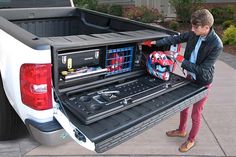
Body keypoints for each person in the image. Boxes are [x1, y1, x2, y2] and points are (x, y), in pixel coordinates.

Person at [143, 9, 223, 152]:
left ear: (206, 27)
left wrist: (180, 59)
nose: (192, 30)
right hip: (190, 77)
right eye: (192, 27)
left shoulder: (216, 45)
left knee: (196, 113)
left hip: (202, 81)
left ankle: (191, 140)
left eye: (195, 27)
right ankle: (181, 130)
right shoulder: (194, 33)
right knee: (184, 107)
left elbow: (203, 70)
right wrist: (154, 43)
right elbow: (175, 39)